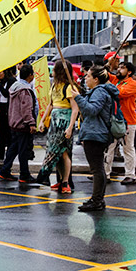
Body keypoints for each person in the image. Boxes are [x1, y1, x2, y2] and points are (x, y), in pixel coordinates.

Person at [73, 65, 118, 212]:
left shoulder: (99, 92)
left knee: (97, 169)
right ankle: (97, 199)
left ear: (96, 79)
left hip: (96, 134)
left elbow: (92, 110)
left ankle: (97, 200)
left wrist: (78, 98)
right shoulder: (98, 91)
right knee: (98, 169)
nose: (85, 78)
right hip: (95, 133)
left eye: (88, 76)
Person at [36, 61, 79, 194]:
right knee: (56, 153)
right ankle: (61, 180)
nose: (51, 71)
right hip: (54, 121)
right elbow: (50, 104)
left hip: (64, 121)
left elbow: (75, 108)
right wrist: (42, 121)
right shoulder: (54, 85)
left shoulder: (69, 87)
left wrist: (70, 127)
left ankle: (66, 182)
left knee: (64, 152)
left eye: (54, 69)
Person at [0, 65, 37, 184]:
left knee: (13, 148)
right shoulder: (24, 90)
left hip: (14, 122)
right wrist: (31, 123)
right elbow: (26, 109)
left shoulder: (15, 87)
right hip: (22, 124)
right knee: (23, 150)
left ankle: (5, 170)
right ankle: (24, 174)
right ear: (30, 75)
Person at [106, 61, 136, 184]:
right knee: (109, 147)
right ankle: (105, 173)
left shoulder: (133, 84)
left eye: (122, 68)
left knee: (128, 148)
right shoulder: (116, 80)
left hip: (128, 121)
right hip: (114, 119)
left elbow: (118, 93)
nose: (119, 70)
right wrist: (107, 65)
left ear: (129, 72)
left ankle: (130, 175)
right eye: (118, 67)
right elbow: (104, 74)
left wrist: (108, 85)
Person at [0, 67, 16, 161]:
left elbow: (7, 94)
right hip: (1, 109)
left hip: (8, 109)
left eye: (1, 71)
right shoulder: (1, 82)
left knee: (8, 133)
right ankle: (0, 153)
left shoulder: (11, 81)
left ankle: (9, 155)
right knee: (1, 133)